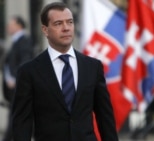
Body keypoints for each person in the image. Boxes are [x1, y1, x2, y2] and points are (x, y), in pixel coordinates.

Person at [11, 2, 118, 141]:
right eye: (58, 23)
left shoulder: (93, 67)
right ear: (45, 30)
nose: (66, 28)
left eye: (70, 22)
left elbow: (105, 117)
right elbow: (21, 123)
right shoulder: (29, 71)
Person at [1, 16, 34, 141]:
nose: (8, 27)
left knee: (15, 119)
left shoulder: (24, 41)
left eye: (11, 24)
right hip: (12, 90)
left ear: (19, 26)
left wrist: (15, 79)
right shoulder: (15, 42)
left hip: (18, 88)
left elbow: (25, 62)